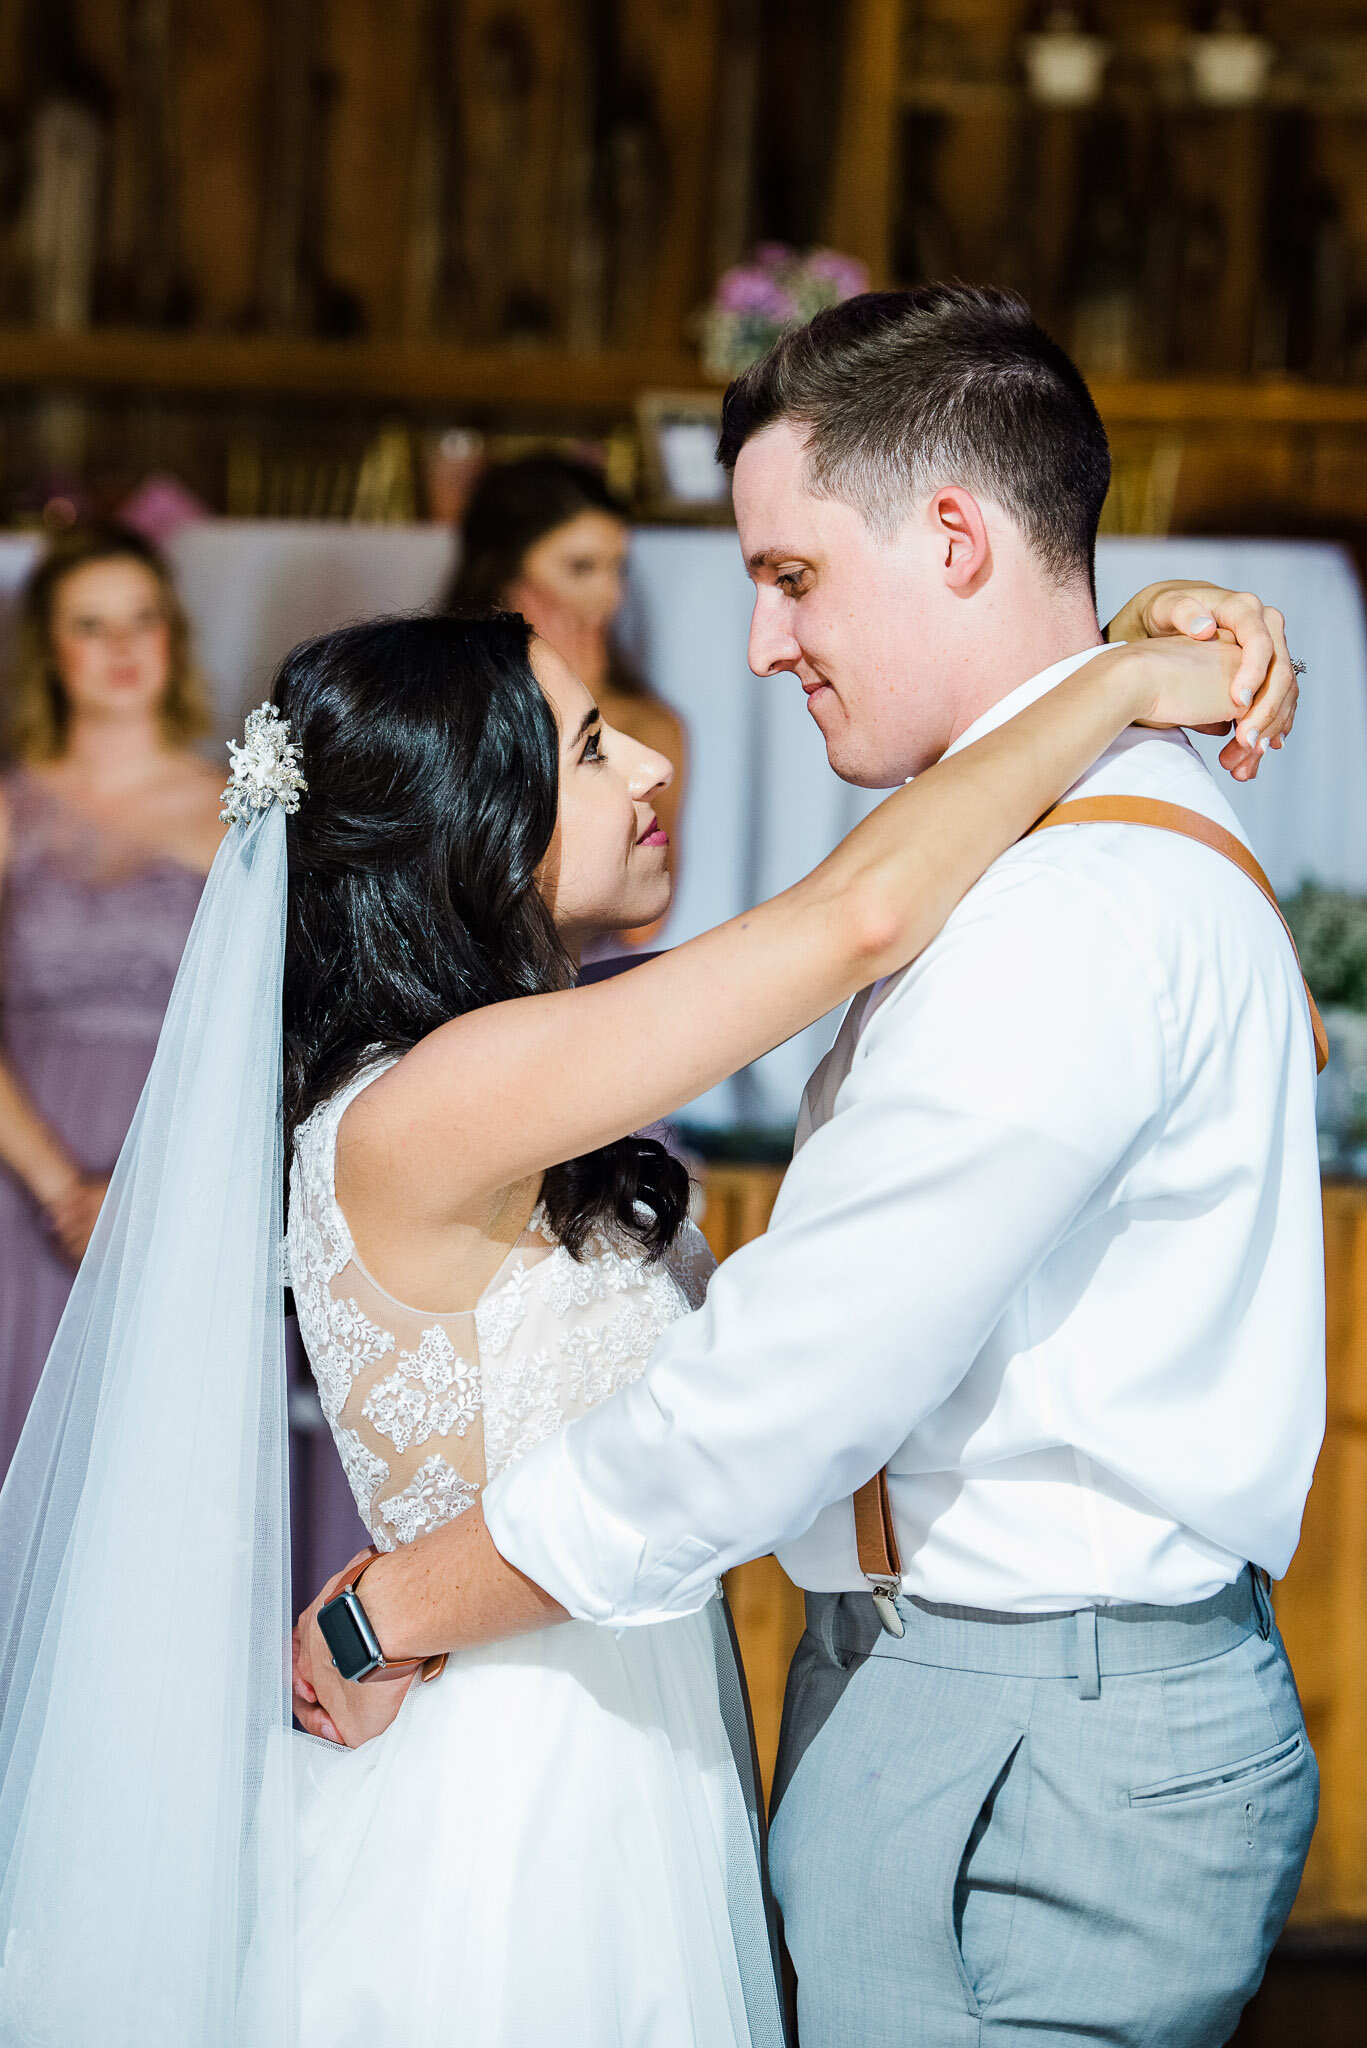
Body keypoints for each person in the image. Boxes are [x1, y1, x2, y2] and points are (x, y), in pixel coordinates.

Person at [0, 576, 1285, 2040]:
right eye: (593, 747)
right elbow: (859, 916)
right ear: (474, 830)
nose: (654, 765)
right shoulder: (432, 1102)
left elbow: (886, 908)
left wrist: (1104, 645)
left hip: (624, 1742)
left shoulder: (501, 1065)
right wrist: (1109, 688)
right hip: (522, 1803)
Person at [300, 289, 1322, 2048]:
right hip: (611, 1756)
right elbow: (860, 912)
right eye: (591, 740)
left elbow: (765, 1399)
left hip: (1005, 1722)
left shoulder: (1064, 900)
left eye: (785, 578)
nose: (751, 658)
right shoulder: (1025, 842)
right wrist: (1133, 664)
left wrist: (385, 1604)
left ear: (946, 534)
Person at [0, 524, 221, 1474]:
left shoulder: (242, 808)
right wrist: (62, 1191)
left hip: (180, 1170)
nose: (123, 648)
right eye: (92, 625)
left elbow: (270, 1025)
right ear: (50, 651)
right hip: (21, 1174)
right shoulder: (8, 806)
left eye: (142, 619)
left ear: (173, 633)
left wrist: (152, 1193)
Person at [448, 454, 683, 943]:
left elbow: (646, 925)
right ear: (502, 572)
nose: (609, 595)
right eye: (580, 567)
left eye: (616, 567)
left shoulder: (649, 727)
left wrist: (582, 705)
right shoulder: (427, 714)